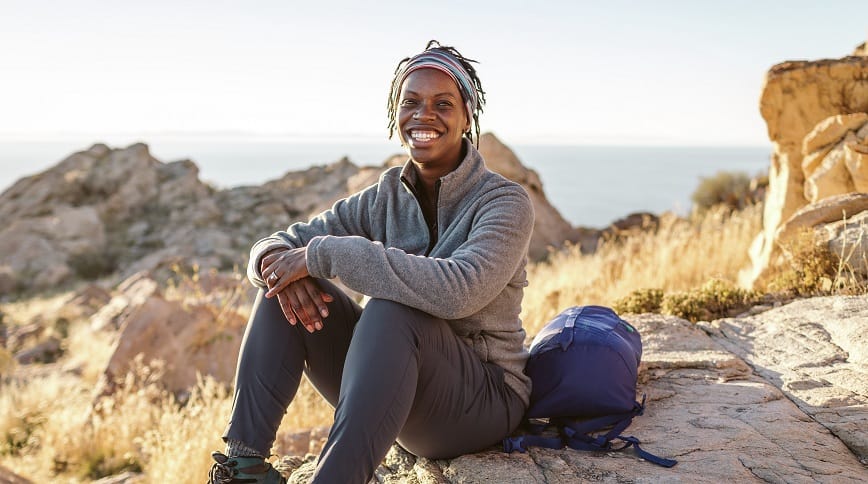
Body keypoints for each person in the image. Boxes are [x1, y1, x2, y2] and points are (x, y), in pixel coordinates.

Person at [208, 40, 535, 484]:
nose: (424, 115)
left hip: (481, 401)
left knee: (392, 308)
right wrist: (276, 262)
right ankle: (244, 468)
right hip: (398, 394)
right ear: (395, 113)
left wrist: (324, 255)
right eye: (411, 102)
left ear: (467, 116)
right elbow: (281, 244)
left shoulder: (504, 202)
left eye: (443, 103)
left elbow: (460, 291)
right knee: (282, 291)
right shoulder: (384, 196)